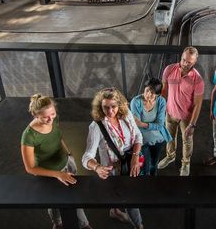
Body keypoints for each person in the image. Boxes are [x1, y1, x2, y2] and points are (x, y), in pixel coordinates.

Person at [21, 94, 91, 229]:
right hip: (48, 174)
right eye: (45, 117)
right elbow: (30, 168)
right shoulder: (28, 136)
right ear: (35, 115)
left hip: (66, 165)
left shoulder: (53, 119)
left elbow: (58, 136)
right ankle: (58, 223)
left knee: (74, 198)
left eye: (52, 114)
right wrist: (57, 174)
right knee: (54, 203)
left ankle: (84, 225)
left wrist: (68, 153)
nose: (50, 119)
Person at [82, 87, 144, 229]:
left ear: (119, 104)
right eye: (105, 107)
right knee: (130, 200)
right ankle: (139, 226)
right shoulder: (96, 126)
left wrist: (135, 157)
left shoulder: (126, 114)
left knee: (119, 195)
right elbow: (86, 157)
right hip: (113, 171)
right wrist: (97, 167)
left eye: (113, 107)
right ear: (100, 107)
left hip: (131, 163)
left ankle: (114, 211)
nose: (110, 111)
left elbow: (138, 137)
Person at [157, 46, 204, 176]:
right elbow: (164, 92)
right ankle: (170, 156)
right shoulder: (169, 69)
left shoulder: (197, 80)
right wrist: (160, 112)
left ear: (194, 62)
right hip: (170, 113)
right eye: (183, 60)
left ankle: (185, 163)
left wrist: (192, 124)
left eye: (189, 62)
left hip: (186, 117)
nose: (185, 63)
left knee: (187, 141)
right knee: (169, 137)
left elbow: (198, 104)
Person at [130, 78, 173, 176]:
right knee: (145, 167)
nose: (148, 94)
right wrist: (151, 125)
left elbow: (160, 124)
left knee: (154, 163)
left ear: (157, 94)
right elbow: (137, 125)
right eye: (147, 90)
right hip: (142, 138)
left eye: (152, 93)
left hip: (158, 137)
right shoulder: (135, 102)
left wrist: (143, 124)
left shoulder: (161, 101)